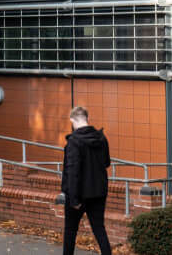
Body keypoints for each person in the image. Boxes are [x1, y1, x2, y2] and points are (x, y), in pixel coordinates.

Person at [60, 105, 113, 255]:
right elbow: (106, 163)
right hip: (98, 192)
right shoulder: (101, 138)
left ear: (72, 120)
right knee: (99, 229)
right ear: (87, 118)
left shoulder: (74, 142)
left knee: (70, 231)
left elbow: (73, 171)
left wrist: (74, 199)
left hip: (78, 194)